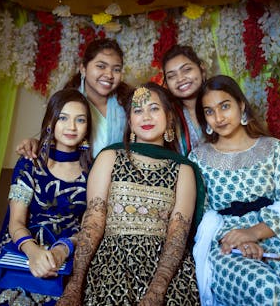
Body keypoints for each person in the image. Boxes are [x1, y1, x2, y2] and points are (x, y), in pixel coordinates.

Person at [56, 82, 204, 306]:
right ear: (129, 121)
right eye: (137, 110)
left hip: (165, 269)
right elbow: (94, 220)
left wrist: (157, 289)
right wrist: (75, 284)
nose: (146, 117)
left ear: (169, 117)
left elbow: (178, 232)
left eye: (154, 108)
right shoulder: (110, 157)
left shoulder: (183, 168)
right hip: (110, 263)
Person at [189, 75, 280, 306]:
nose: (219, 117)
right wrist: (239, 240)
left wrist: (253, 233)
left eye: (225, 106)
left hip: (274, 240)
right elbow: (201, 216)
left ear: (241, 105)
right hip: (226, 248)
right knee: (266, 287)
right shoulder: (198, 158)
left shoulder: (273, 149)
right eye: (209, 111)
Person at [0, 89, 93, 305]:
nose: (72, 127)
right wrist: (34, 253)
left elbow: (88, 227)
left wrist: (62, 249)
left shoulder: (93, 172)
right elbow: (16, 221)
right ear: (50, 121)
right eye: (63, 118)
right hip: (23, 251)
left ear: (88, 127)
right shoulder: (30, 163)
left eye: (80, 120)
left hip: (70, 255)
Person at [17, 38, 132, 159]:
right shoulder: (66, 103)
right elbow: (51, 139)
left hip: (120, 175)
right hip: (76, 175)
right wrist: (35, 144)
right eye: (101, 66)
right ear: (83, 69)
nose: (109, 75)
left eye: (116, 69)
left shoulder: (127, 104)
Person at [161, 44, 207, 155]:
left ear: (202, 70)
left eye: (187, 70)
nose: (180, 79)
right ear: (166, 84)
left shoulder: (220, 103)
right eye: (171, 76)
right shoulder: (167, 117)